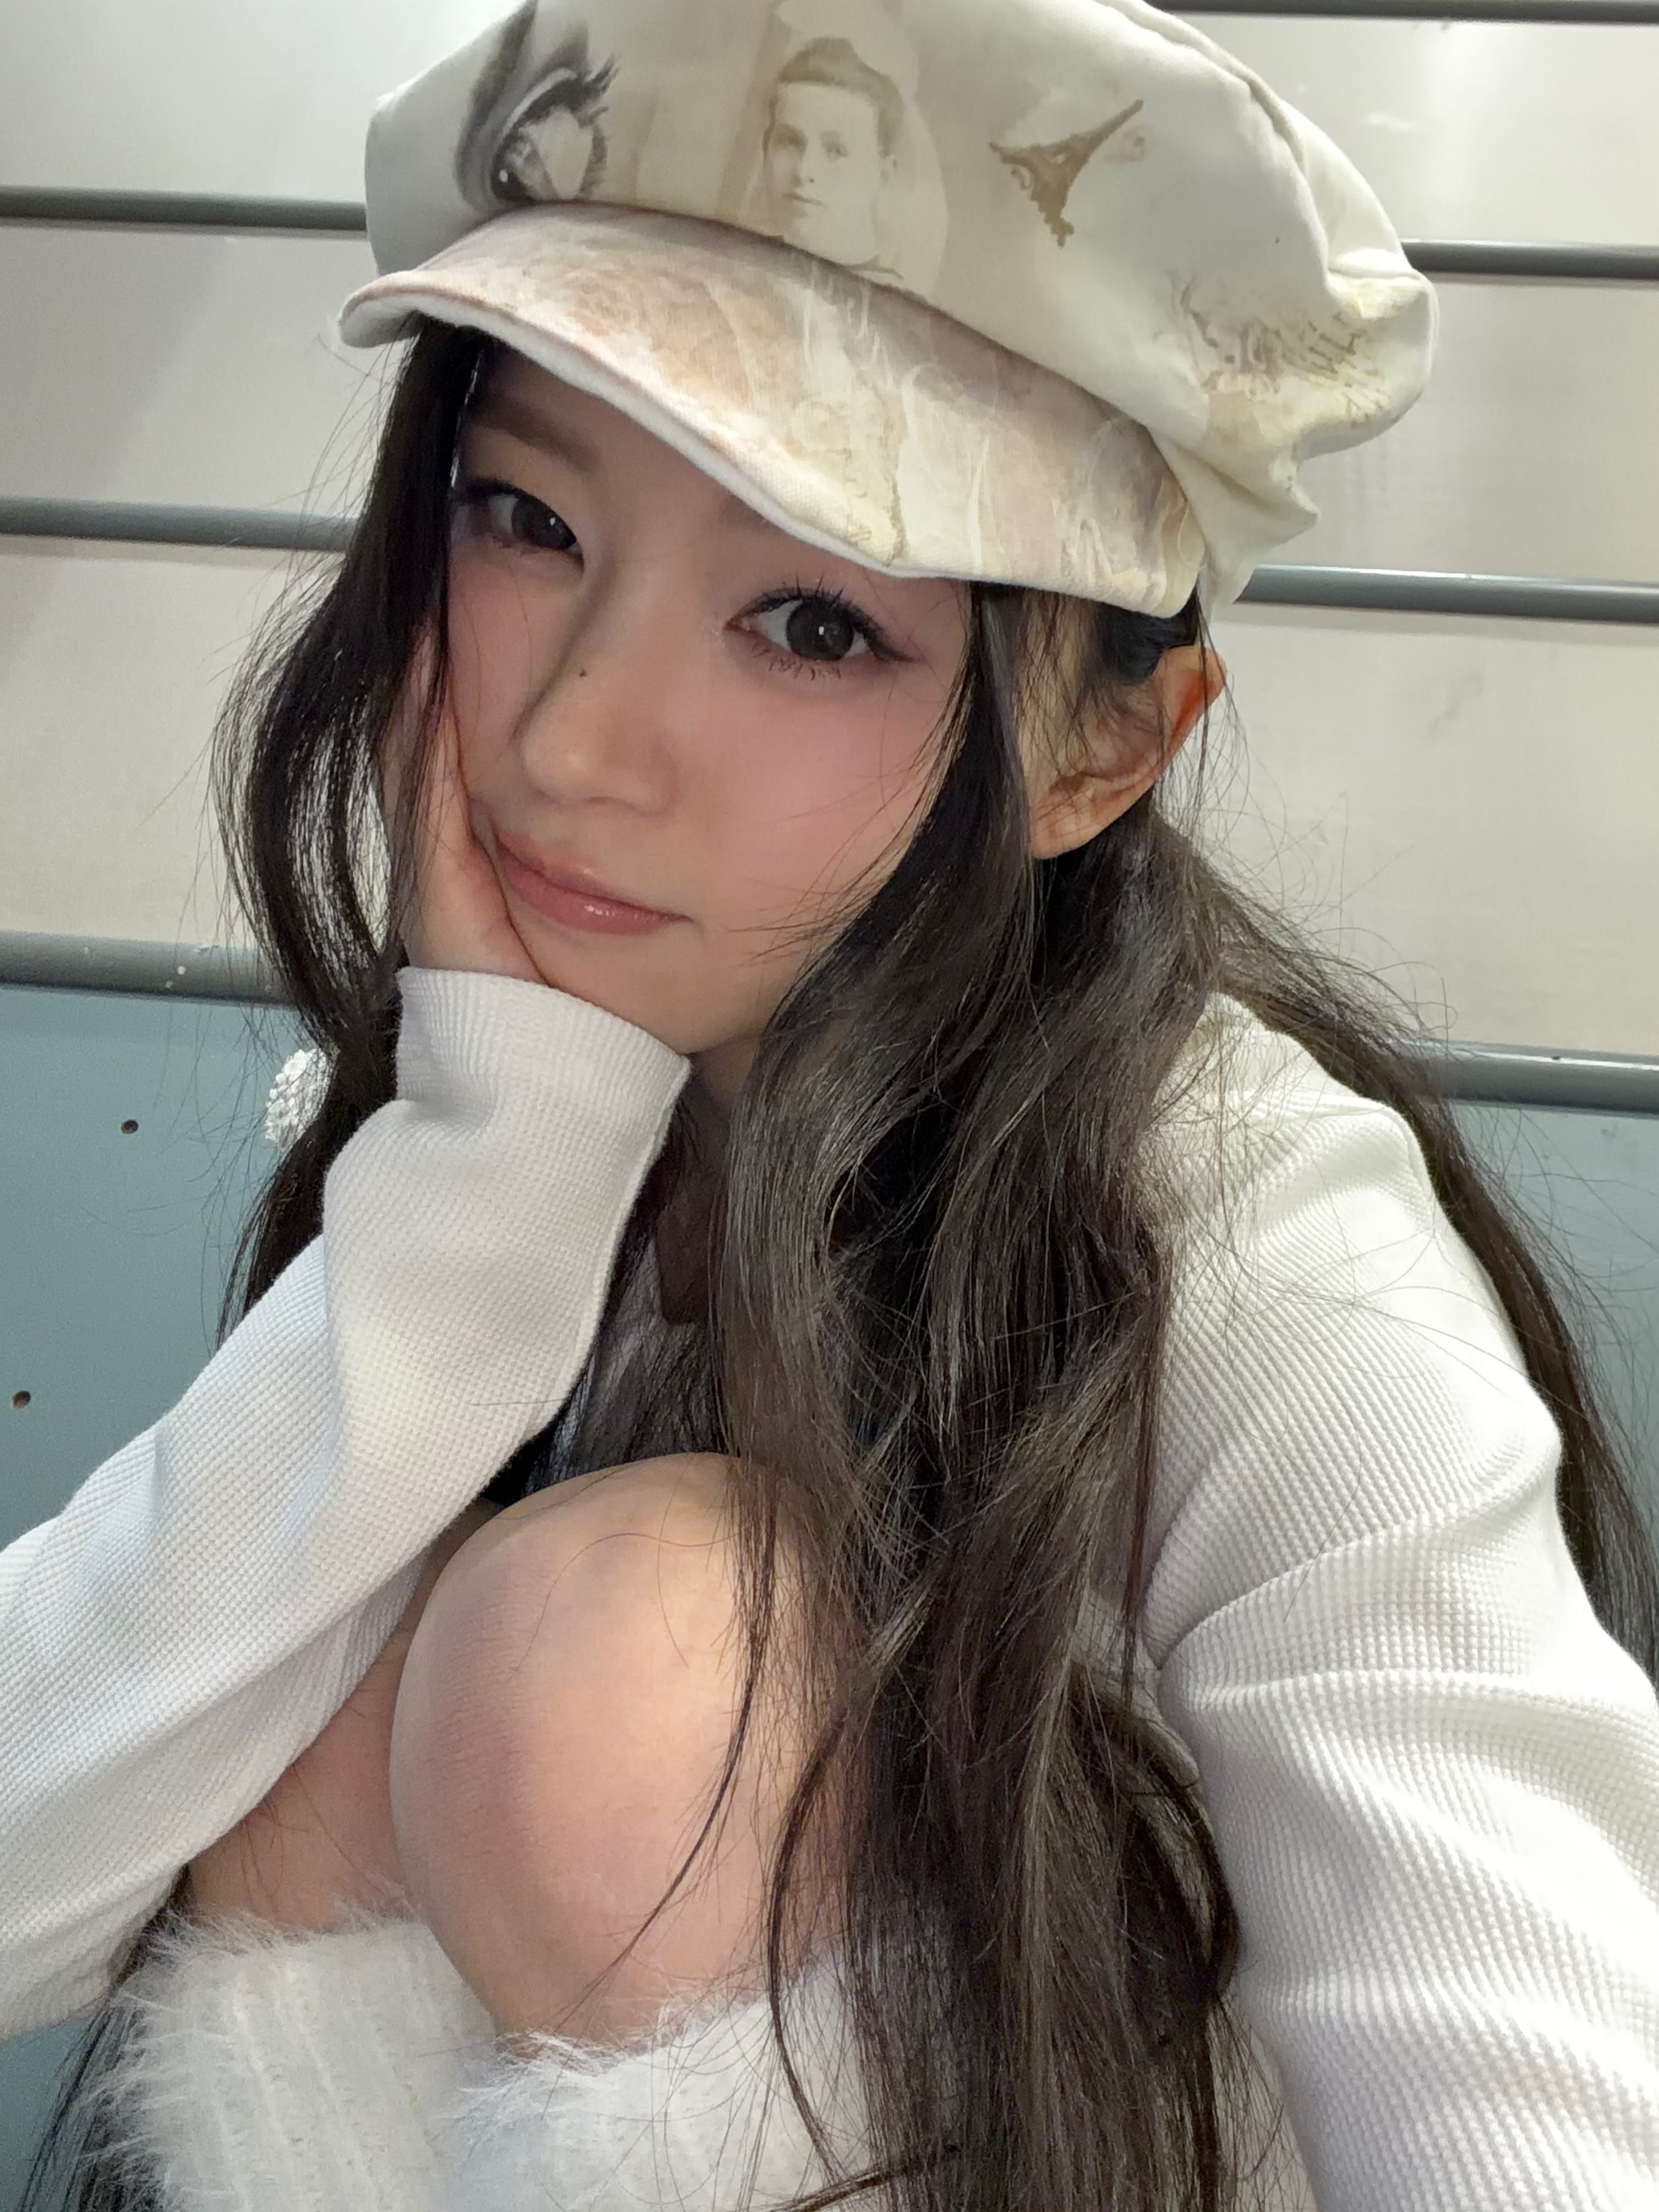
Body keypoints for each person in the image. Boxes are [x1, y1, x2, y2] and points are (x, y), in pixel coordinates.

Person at [6, 0, 1659, 2206]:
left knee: (619, 1672)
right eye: (524, 516)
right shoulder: (517, 1103)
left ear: (1103, 750)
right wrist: (487, 1178)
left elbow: (1529, 2083)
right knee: (333, 1681)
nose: (574, 738)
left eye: (808, 624)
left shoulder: (1255, 1231)